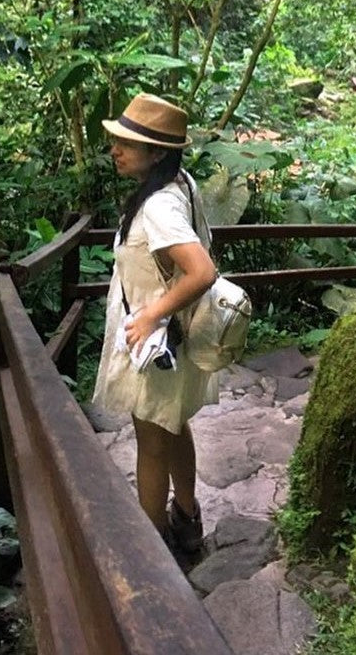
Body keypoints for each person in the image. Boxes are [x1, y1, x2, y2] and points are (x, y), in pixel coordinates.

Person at [92, 93, 218, 553]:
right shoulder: (180, 183)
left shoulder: (160, 205)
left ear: (158, 153)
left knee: (150, 441)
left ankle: (152, 550)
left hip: (156, 343)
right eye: (118, 140)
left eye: (129, 143)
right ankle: (186, 517)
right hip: (174, 341)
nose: (116, 150)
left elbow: (202, 271)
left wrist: (150, 314)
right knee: (173, 424)